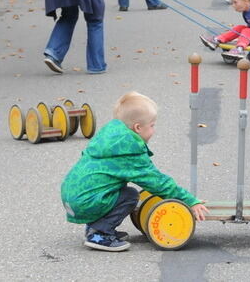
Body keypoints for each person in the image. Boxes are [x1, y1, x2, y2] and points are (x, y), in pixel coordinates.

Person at [61, 91, 209, 252]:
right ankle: (100, 233)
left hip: (72, 195)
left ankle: (97, 227)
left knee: (114, 189)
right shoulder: (129, 151)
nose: (154, 130)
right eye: (152, 125)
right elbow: (156, 181)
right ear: (138, 128)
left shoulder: (110, 136)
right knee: (130, 195)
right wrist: (189, 200)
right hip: (86, 202)